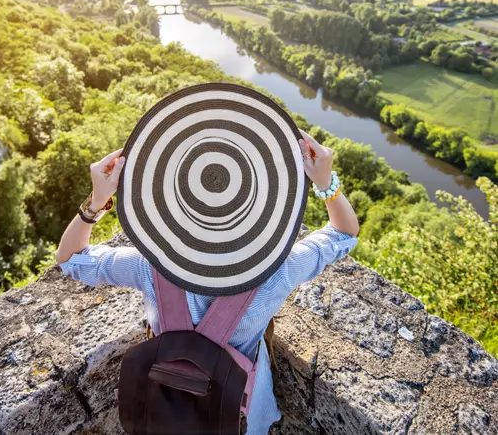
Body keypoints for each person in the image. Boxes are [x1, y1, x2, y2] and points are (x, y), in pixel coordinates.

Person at [56, 128, 359, 435]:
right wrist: (325, 183)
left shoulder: (150, 265)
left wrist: (96, 202)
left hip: (164, 403)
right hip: (237, 409)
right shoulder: (279, 271)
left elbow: (70, 259)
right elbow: (344, 234)